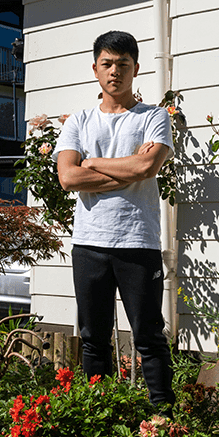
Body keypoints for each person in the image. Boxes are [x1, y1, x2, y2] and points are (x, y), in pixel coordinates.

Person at [54, 30, 175, 409]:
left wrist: (91, 162)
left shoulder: (153, 117)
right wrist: (128, 171)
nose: (115, 72)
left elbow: (147, 164)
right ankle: (99, 414)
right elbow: (68, 177)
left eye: (123, 64)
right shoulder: (79, 121)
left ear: (136, 69)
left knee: (149, 334)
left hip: (137, 240)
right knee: (93, 336)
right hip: (89, 242)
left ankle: (162, 416)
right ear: (95, 69)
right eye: (107, 64)